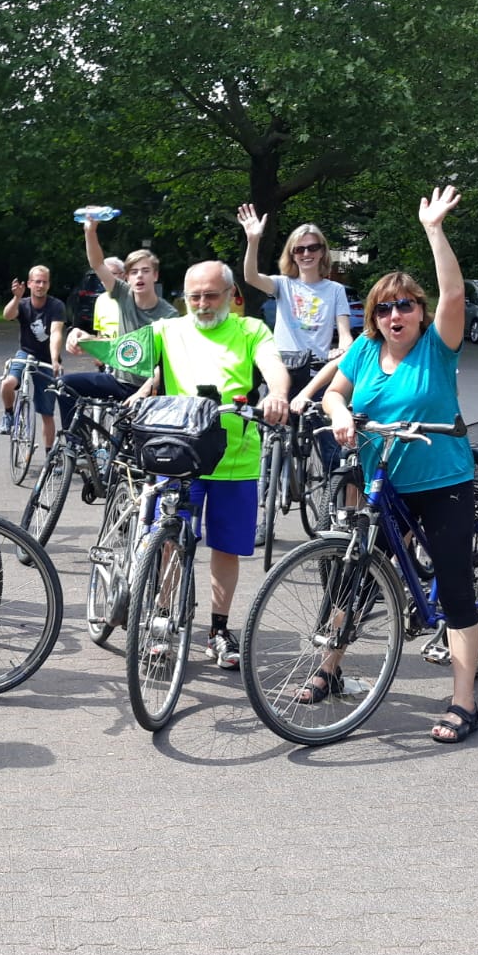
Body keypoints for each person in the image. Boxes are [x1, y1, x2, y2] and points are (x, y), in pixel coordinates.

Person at [322, 185, 478, 745]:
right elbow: (334, 392)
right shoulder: (365, 350)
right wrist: (340, 413)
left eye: (405, 305)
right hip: (384, 480)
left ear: (420, 311)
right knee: (354, 574)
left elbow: (454, 293)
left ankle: (465, 702)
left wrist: (434, 230)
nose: (395, 314)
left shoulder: (439, 345)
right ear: (374, 316)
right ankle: (328, 668)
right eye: (384, 308)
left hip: (442, 481)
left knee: (455, 587)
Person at [80, 260, 290, 668]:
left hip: (235, 459)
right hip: (178, 452)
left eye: (211, 295)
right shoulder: (168, 330)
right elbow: (124, 351)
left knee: (226, 549)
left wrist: (278, 395)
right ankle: (161, 618)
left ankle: (218, 630)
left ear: (230, 295)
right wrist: (84, 342)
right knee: (168, 541)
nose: (203, 304)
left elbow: (274, 369)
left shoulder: (251, 330)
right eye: (194, 297)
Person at [59, 221, 178, 429]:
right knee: (64, 385)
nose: (139, 276)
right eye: (134, 272)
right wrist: (90, 230)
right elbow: (97, 264)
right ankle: (75, 440)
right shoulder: (123, 294)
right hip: (119, 381)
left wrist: (142, 393)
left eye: (145, 271)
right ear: (127, 278)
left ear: (155, 275)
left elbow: (166, 365)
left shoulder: (169, 315)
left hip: (152, 390)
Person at [239, 206, 353, 397]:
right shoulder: (282, 284)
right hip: (282, 373)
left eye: (313, 247)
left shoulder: (336, 290)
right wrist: (253, 240)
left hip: (316, 376)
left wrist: (342, 349)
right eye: (299, 249)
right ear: (292, 255)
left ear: (322, 251)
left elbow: (345, 334)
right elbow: (251, 277)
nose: (306, 254)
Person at [0, 266, 64, 450]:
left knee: (47, 413)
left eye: (44, 282)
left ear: (49, 284)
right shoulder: (23, 303)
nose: (40, 285)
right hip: (26, 353)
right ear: (29, 283)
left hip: (47, 358)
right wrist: (16, 297)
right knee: (7, 383)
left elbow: (56, 333)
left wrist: (54, 360)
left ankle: (49, 454)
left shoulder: (56, 306)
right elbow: (7, 315)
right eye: (37, 281)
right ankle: (8, 414)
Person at [93, 256, 126, 338]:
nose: (105, 278)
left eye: (111, 274)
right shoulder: (101, 300)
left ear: (123, 275)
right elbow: (99, 332)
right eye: (103, 275)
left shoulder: (135, 297)